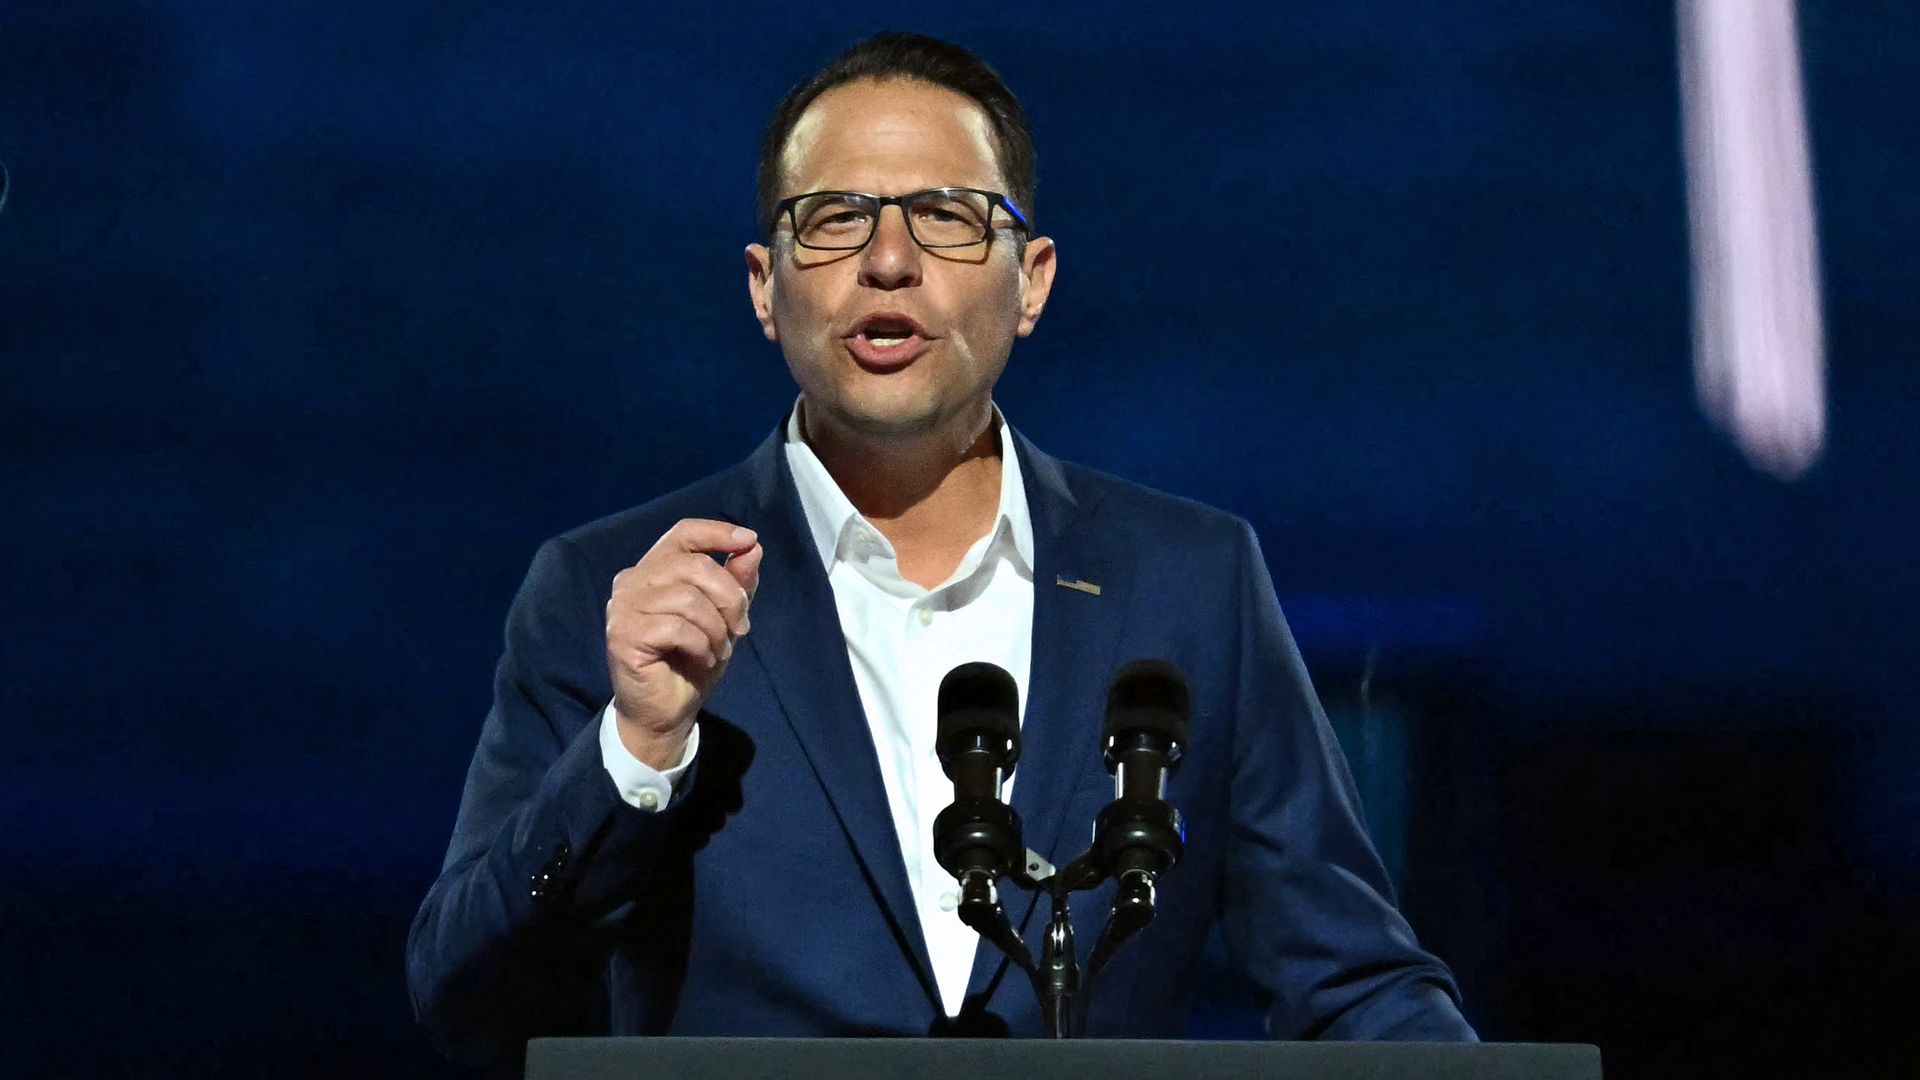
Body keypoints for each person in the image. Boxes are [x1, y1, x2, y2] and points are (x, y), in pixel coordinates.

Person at [407, 31, 1475, 1069]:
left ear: (1033, 279)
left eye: (946, 217)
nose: (887, 261)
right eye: (834, 218)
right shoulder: (614, 592)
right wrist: (632, 752)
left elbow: (1355, 989)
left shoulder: (1190, 582)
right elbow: (471, 1001)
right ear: (764, 287)